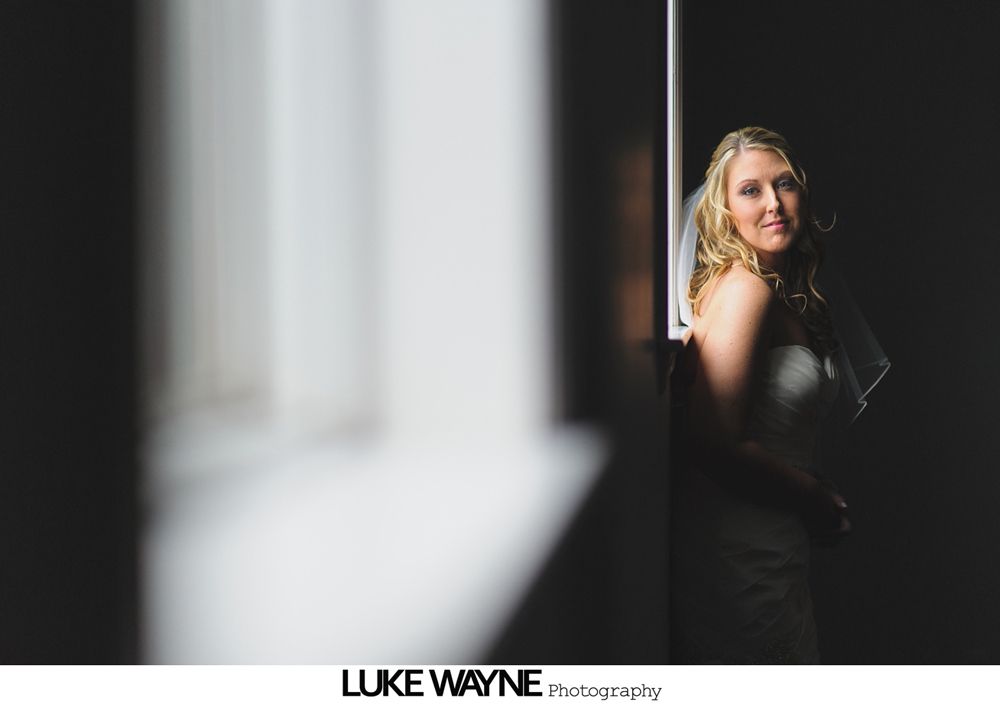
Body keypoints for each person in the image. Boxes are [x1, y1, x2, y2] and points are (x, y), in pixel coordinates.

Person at [670, 126, 851, 664]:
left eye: (785, 184)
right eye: (751, 190)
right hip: (740, 555)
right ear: (724, 209)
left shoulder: (782, 294)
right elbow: (711, 442)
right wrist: (813, 496)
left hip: (775, 542)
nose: (774, 202)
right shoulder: (745, 289)